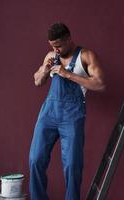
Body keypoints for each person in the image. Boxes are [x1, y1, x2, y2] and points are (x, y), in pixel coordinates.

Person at [29, 22, 105, 200]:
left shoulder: (86, 56)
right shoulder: (50, 55)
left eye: (58, 45)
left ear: (69, 39)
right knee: (35, 159)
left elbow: (100, 84)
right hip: (49, 113)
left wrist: (68, 74)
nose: (55, 50)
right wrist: (45, 71)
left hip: (72, 115)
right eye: (52, 46)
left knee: (72, 165)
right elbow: (37, 81)